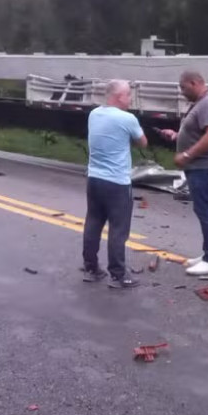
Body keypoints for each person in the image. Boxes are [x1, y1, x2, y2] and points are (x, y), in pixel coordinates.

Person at [159, 71, 208, 276]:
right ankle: (207, 254)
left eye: (183, 87)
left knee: (205, 210)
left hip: (206, 166)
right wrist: (178, 135)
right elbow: (198, 131)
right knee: (201, 209)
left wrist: (186, 154)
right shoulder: (200, 103)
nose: (182, 92)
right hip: (199, 167)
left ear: (194, 83)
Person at [82, 79, 148, 289]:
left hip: (94, 179)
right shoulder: (127, 119)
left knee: (93, 223)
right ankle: (118, 275)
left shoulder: (94, 114)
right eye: (128, 95)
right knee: (118, 230)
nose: (130, 99)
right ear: (119, 97)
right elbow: (143, 142)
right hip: (117, 183)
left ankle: (91, 268)